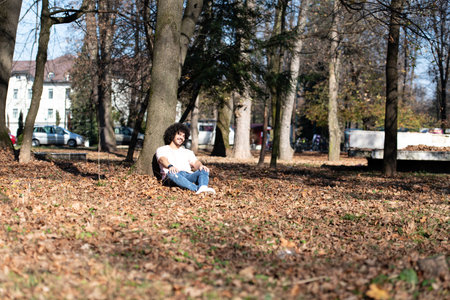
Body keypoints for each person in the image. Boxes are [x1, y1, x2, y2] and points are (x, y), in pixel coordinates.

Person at [156, 123, 216, 194]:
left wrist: (200, 166)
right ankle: (197, 189)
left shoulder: (188, 152)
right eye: (179, 134)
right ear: (172, 134)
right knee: (171, 173)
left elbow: (195, 162)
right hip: (173, 176)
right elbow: (162, 159)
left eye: (184, 136)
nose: (181, 137)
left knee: (204, 170)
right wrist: (170, 166)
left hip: (188, 175)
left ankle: (203, 187)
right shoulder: (162, 149)